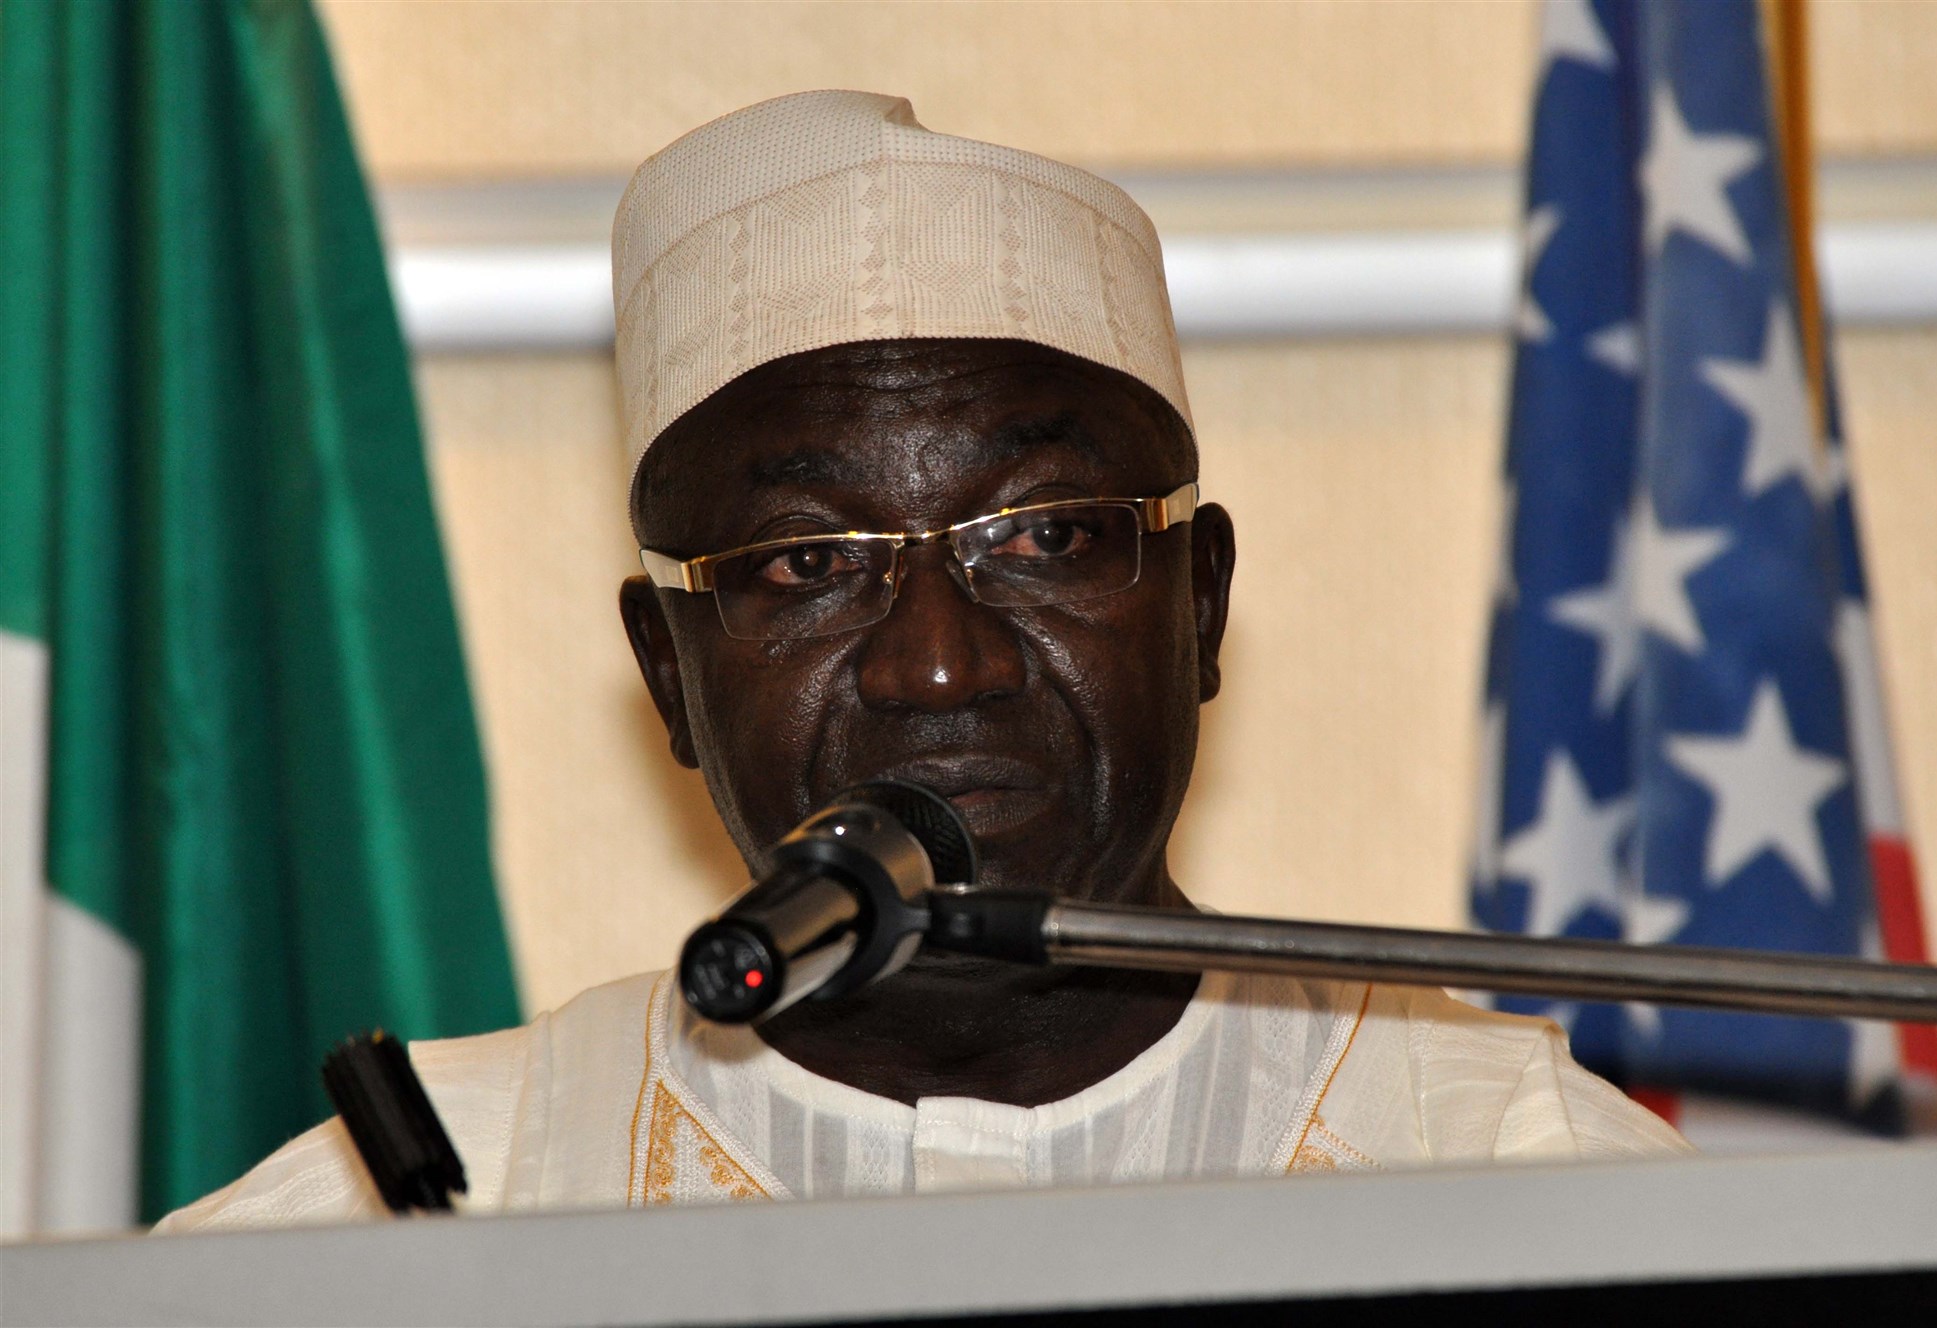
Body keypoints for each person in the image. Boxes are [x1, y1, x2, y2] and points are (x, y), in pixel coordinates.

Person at [158, 91, 1685, 1231]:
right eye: (808, 564)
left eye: (1045, 539)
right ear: (671, 676)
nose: (939, 668)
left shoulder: (1531, 1179)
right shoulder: (393, 1228)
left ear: (1200, 605)